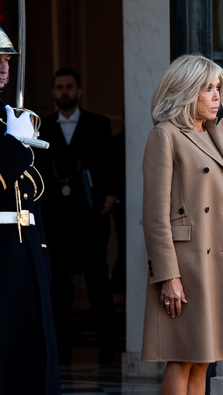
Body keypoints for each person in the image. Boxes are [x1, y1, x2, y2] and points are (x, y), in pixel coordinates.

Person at [141, 54, 223, 394]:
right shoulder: (164, 136)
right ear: (183, 92)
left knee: (203, 360)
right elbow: (154, 214)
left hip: (219, 265)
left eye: (218, 88)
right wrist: (168, 276)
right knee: (182, 359)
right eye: (207, 89)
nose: (217, 97)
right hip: (187, 266)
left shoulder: (213, 134)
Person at [37, 67, 118, 364]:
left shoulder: (98, 124)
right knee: (58, 289)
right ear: (53, 92)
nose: (64, 92)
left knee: (98, 284)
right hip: (56, 219)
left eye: (69, 86)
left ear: (79, 91)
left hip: (91, 217)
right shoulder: (40, 127)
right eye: (59, 87)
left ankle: (109, 351)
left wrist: (110, 197)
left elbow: (110, 165)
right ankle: (60, 353)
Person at [0, 28, 61, 394]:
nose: (4, 69)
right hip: (2, 251)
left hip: (25, 250)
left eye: (6, 61)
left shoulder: (8, 114)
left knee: (33, 352)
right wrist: (12, 145)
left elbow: (31, 194)